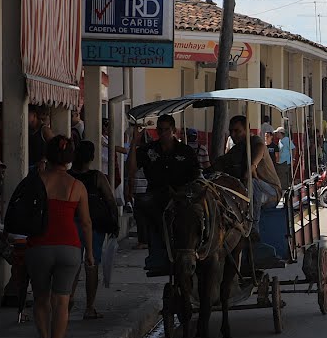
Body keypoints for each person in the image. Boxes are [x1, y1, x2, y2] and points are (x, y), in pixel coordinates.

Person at [26, 135, 94, 338]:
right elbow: (85, 223)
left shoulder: (37, 180)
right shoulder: (78, 186)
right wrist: (91, 254)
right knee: (62, 302)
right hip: (69, 248)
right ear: (69, 158)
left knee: (41, 299)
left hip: (39, 246)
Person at [126, 114, 201, 273]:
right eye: (160, 129)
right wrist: (134, 142)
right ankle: (157, 253)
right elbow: (131, 169)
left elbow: (196, 175)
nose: (163, 133)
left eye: (167, 129)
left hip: (181, 196)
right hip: (157, 196)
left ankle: (198, 251)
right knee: (144, 205)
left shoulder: (185, 151)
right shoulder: (148, 150)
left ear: (174, 130)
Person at [69, 140, 118, 320]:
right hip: (95, 226)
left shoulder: (68, 177)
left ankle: (69, 299)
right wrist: (115, 224)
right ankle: (89, 308)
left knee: (73, 265)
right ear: (92, 157)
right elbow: (111, 202)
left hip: (72, 224)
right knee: (91, 264)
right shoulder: (97, 177)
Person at [213, 115, 282, 233]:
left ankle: (253, 228)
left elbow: (260, 148)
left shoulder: (255, 141)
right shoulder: (236, 150)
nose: (233, 135)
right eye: (231, 131)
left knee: (252, 183)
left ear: (247, 131)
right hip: (250, 193)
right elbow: (220, 163)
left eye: (237, 131)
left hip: (271, 193)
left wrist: (252, 166)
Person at [275, 125, 295, 191]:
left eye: (277, 133)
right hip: (280, 162)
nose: (276, 134)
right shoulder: (280, 141)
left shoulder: (286, 140)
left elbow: (293, 149)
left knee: (285, 177)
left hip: (286, 162)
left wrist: (293, 159)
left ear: (280, 133)